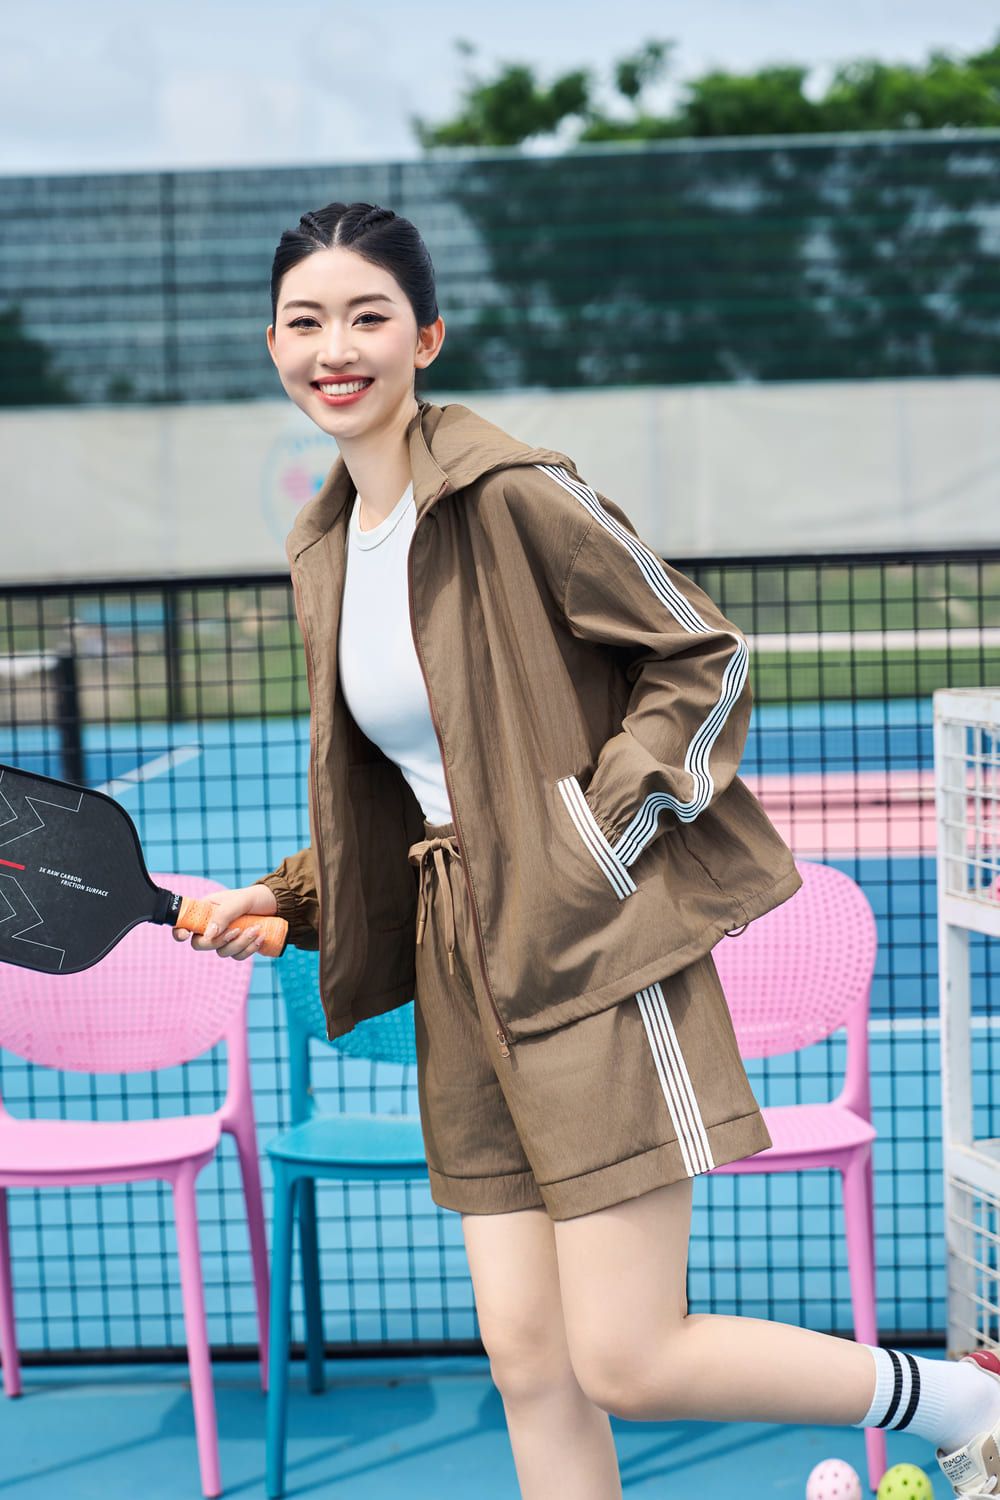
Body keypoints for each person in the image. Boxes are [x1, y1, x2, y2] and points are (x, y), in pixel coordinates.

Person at [173, 200, 1000, 1500]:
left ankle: (962, 1402)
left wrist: (592, 838)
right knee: (530, 1363)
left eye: (368, 316)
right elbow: (419, 791)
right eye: (306, 321)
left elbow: (705, 657)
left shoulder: (514, 492)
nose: (336, 347)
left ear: (426, 337)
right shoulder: (326, 544)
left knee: (629, 1357)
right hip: (463, 975)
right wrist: (288, 897)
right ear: (271, 343)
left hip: (598, 960)